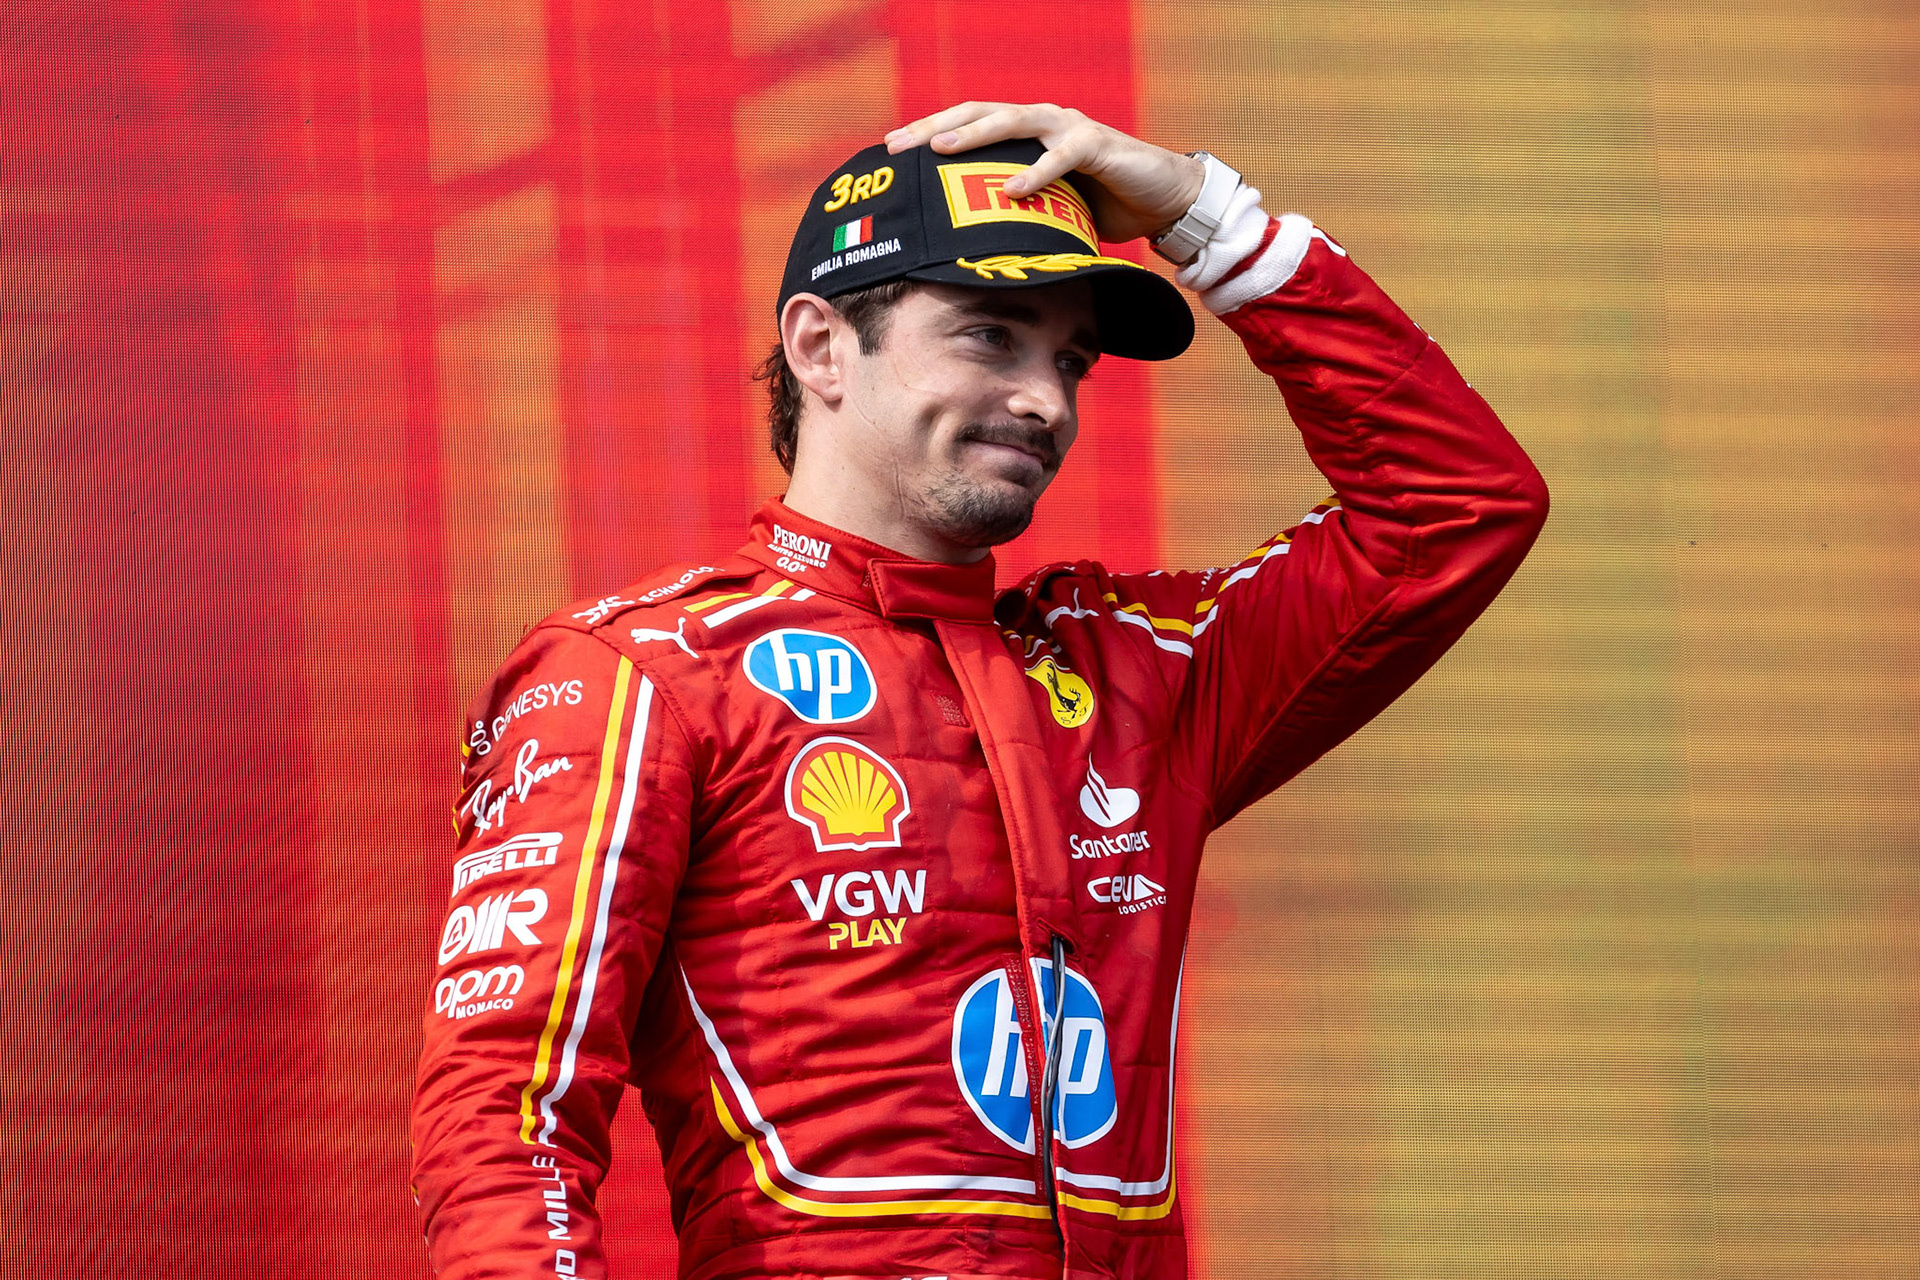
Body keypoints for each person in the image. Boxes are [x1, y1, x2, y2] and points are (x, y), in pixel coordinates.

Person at [410, 101, 1548, 1280]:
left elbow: (1458, 506)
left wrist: (1209, 219)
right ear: (820, 346)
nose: (1047, 400)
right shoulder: (644, 673)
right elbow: (502, 1111)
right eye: (990, 336)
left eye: (1070, 360)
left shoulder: (1134, 669)